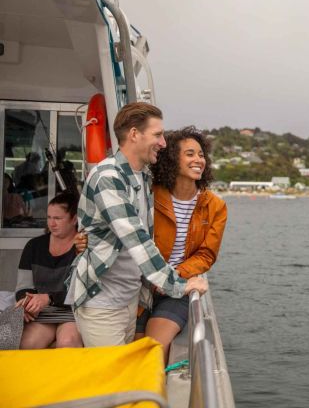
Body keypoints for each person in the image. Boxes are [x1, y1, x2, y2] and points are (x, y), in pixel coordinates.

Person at [77, 127, 228, 363]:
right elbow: (122, 230)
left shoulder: (215, 206)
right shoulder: (148, 194)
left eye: (201, 155)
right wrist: (86, 240)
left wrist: (176, 274)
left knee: (154, 347)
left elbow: (207, 254)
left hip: (176, 286)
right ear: (171, 159)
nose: (198, 160)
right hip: (139, 285)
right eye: (190, 154)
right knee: (132, 349)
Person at [65, 102, 207, 347]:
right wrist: (179, 285)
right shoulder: (108, 177)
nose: (162, 143)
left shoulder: (143, 176)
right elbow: (136, 238)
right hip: (102, 302)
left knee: (125, 377)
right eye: (157, 135)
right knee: (111, 382)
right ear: (134, 134)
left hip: (130, 298)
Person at [15, 191, 83, 349]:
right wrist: (27, 303)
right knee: (28, 344)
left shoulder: (82, 246)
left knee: (68, 342)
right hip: (42, 312)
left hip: (72, 312)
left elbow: (83, 290)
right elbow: (22, 286)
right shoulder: (34, 246)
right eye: (49, 217)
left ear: (74, 219)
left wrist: (50, 297)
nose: (51, 223)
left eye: (58, 218)